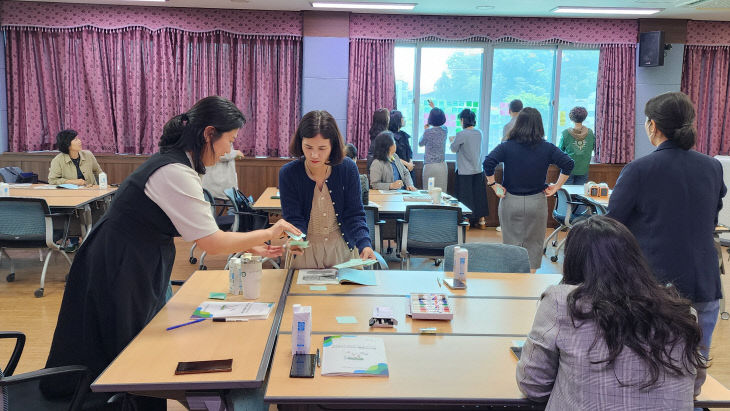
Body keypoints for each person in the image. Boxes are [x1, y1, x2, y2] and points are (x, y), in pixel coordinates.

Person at [41, 96, 300, 408]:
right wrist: (269, 232)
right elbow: (211, 242)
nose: (229, 150)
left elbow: (198, 230)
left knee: (137, 339)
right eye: (229, 140)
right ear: (209, 134)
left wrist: (250, 242)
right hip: (121, 260)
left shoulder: (179, 164)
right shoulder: (175, 171)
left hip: (135, 254)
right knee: (126, 346)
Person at [517, 216, 707, 410]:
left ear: (574, 261)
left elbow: (533, 385)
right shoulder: (679, 310)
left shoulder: (562, 302)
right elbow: (695, 386)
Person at [608, 91, 726, 362]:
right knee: (694, 370)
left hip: (654, 287)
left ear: (653, 126)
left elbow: (611, 226)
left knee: (651, 369)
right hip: (704, 284)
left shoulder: (639, 169)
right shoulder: (712, 167)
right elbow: (711, 217)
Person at [279, 110, 375, 269]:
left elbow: (355, 213)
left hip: (341, 250)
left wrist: (364, 244)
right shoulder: (289, 173)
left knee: (345, 294)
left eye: (322, 148)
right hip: (305, 253)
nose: (314, 154)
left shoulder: (347, 168)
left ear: (333, 146)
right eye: (308, 147)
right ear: (300, 142)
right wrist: (296, 239)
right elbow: (293, 218)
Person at [483, 107, 573, 270]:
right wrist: (556, 186)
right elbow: (568, 163)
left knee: (511, 243)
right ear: (539, 125)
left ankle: (512, 281)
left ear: (518, 124)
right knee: (534, 244)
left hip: (510, 201)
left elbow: (488, 162)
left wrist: (493, 185)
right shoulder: (547, 147)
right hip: (536, 202)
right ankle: (528, 283)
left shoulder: (506, 146)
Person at [449, 109, 488, 229]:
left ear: (463, 120)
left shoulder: (462, 134)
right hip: (478, 169)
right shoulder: (479, 132)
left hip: (464, 170)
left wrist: (452, 140)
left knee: (465, 197)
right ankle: (482, 221)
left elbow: (453, 149)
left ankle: (467, 222)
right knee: (479, 195)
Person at [558, 106, 595, 185]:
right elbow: (592, 147)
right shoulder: (590, 133)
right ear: (584, 117)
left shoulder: (566, 133)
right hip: (583, 168)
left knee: (567, 194)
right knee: (579, 195)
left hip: (568, 167)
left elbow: (560, 150)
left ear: (571, 118)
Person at [419, 100, 447, 191]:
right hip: (442, 166)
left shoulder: (428, 132)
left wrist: (425, 130)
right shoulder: (445, 130)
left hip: (430, 166)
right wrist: (434, 108)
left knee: (428, 193)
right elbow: (439, 119)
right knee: (441, 194)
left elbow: (420, 143)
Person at [388, 110, 415, 181]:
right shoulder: (389, 136)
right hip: (397, 169)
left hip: (409, 169)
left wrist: (410, 162)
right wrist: (407, 164)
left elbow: (409, 152)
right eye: (402, 118)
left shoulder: (403, 134)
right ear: (397, 120)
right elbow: (392, 155)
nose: (404, 119)